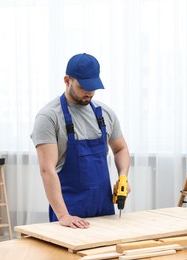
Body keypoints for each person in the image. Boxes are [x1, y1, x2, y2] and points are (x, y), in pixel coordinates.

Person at [31, 53, 130, 229]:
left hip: (104, 208)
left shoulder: (105, 113)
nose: (90, 92)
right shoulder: (49, 117)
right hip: (69, 212)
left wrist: (123, 177)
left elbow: (120, 149)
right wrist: (63, 215)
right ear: (67, 80)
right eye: (84, 86)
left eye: (93, 87)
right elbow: (47, 169)